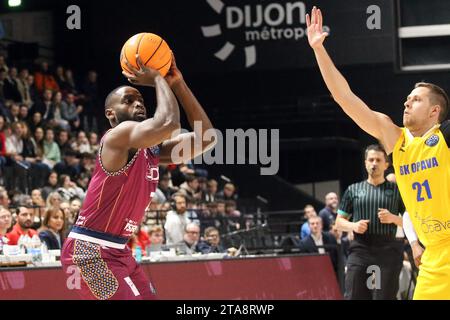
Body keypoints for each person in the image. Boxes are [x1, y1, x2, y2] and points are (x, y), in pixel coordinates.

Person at [306, 6, 449, 299]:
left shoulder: (445, 137)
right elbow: (345, 99)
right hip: (435, 256)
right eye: (407, 98)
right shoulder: (396, 139)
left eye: (417, 100)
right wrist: (319, 50)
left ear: (435, 111)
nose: (407, 103)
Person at [61, 53, 216, 300]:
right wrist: (156, 76)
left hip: (119, 250)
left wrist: (178, 84)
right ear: (111, 115)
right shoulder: (116, 137)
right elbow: (168, 123)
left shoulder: (151, 150)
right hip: (89, 250)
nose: (138, 103)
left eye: (140, 99)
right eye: (129, 100)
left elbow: (206, 138)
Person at [335, 144, 405, 300]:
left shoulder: (396, 191)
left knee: (383, 296)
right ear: (365, 162)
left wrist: (393, 218)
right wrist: (354, 225)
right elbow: (338, 223)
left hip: (388, 250)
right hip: (360, 249)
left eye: (378, 160)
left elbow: (412, 221)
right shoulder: (353, 190)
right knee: (354, 295)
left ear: (386, 165)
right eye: (371, 159)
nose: (374, 163)